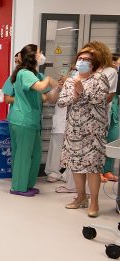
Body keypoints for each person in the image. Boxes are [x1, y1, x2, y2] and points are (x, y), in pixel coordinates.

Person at [57, 46, 109, 217]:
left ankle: (94, 201)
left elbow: (100, 100)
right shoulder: (72, 78)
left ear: (94, 64)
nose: (82, 62)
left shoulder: (99, 78)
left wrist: (82, 92)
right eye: (80, 59)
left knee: (92, 167)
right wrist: (75, 95)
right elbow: (62, 102)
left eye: (87, 60)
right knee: (76, 165)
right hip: (74, 130)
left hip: (93, 131)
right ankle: (80, 197)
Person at [7, 44, 60, 197]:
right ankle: (18, 187)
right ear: (32, 56)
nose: (42, 55)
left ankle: (27, 184)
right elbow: (41, 86)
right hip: (23, 120)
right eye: (39, 52)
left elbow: (46, 98)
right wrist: (50, 79)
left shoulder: (34, 74)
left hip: (32, 121)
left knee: (35, 154)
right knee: (23, 155)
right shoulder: (25, 73)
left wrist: (58, 88)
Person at [83, 42, 120, 182]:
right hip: (85, 114)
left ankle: (105, 170)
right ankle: (95, 172)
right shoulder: (87, 70)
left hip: (103, 112)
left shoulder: (110, 72)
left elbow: (107, 95)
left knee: (109, 139)